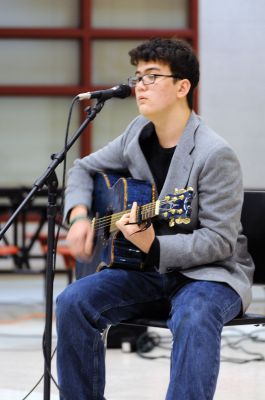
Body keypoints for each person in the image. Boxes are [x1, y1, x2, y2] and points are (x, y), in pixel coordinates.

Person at [56, 38, 254, 400]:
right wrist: (81, 216)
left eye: (152, 76)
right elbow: (83, 168)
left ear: (183, 87)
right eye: (137, 77)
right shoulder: (136, 134)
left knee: (194, 316)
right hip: (146, 273)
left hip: (210, 275)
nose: (139, 86)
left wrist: (154, 245)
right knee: (72, 302)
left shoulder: (214, 154)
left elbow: (220, 241)